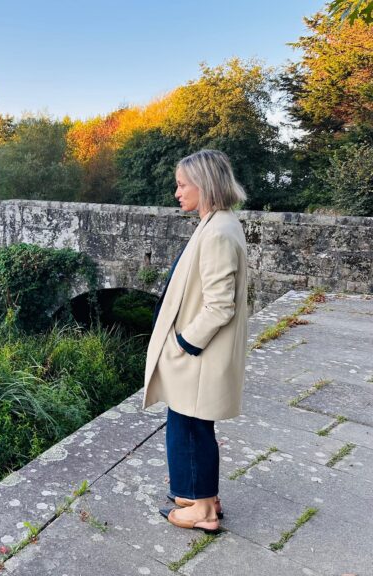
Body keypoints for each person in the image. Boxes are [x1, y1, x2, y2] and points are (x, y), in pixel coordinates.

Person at [143, 149, 248, 534]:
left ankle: (203, 511)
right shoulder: (217, 223)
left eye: (182, 184)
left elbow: (220, 306)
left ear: (204, 185)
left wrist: (186, 343)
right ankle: (197, 494)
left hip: (200, 354)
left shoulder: (218, 231)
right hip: (200, 354)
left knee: (190, 427)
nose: (177, 192)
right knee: (188, 424)